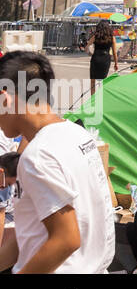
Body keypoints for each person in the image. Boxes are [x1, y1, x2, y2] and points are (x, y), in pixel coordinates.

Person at [0, 52, 115, 273]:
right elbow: (28, 236)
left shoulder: (38, 155)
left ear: (5, 98)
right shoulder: (79, 135)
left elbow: (66, 239)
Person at [85, 21, 117, 95]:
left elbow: (87, 47)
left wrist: (90, 54)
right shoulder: (112, 38)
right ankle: (100, 99)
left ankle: (92, 101)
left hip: (95, 58)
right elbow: (114, 53)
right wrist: (116, 63)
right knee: (102, 81)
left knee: (93, 81)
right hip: (105, 59)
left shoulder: (95, 36)